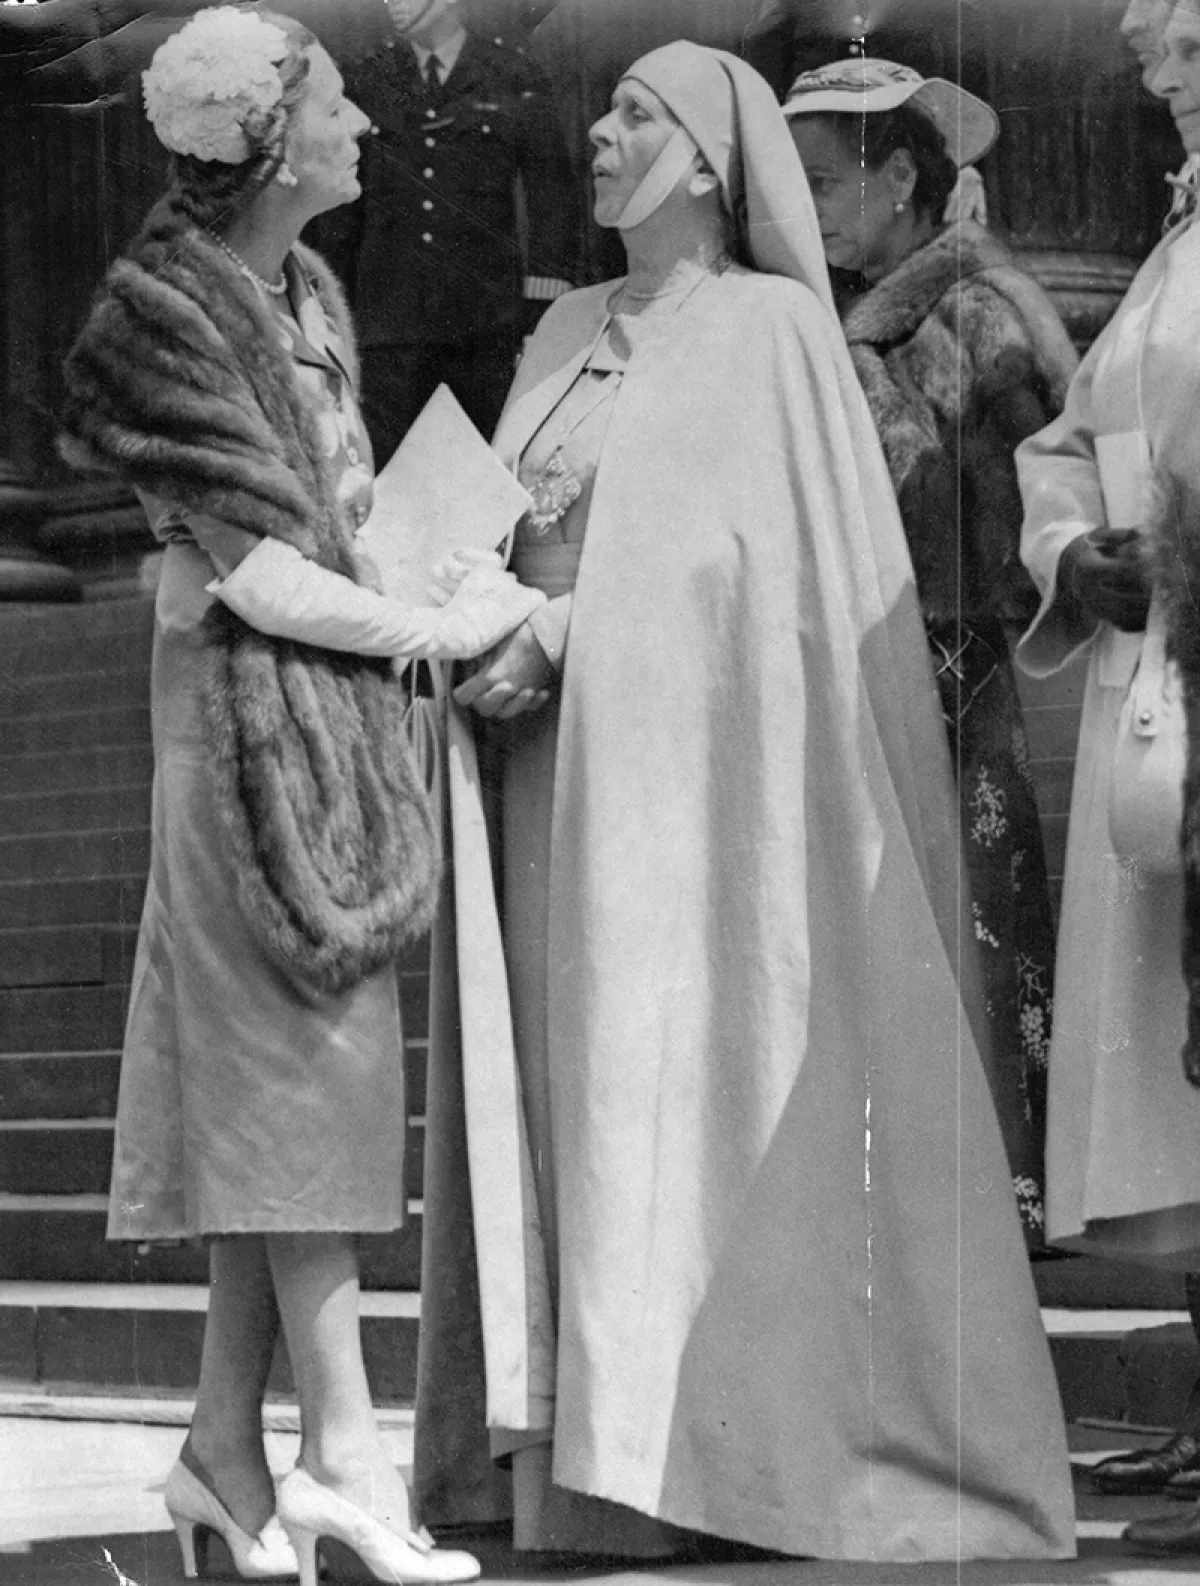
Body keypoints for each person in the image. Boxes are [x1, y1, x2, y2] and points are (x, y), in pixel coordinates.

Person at [413, 37, 1076, 1565]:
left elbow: (761, 575)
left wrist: (564, 629)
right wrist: (453, 605)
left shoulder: (776, 331)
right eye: (605, 109)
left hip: (694, 796)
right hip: (539, 771)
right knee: (570, 1104)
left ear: (711, 160)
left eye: (636, 114)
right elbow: (507, 516)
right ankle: (581, 1467)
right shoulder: (560, 327)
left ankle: (708, 1451)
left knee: (664, 1091)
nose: (599, 133)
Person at [58, 8, 545, 1583]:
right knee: (296, 1074)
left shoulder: (309, 292)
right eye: (335, 103)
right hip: (241, 745)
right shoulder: (161, 315)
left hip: (326, 726)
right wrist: (429, 630)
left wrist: (447, 572)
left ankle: (221, 1453)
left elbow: (343, 524)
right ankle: (345, 1452)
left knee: (299, 1080)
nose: (364, 125)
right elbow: (255, 572)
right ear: (271, 145)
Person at [783, 57, 1078, 1249]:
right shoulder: (838, 319)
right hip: (872, 663)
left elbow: (1044, 481)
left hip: (952, 661)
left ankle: (1003, 1190)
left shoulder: (971, 311)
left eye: (823, 182)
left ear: (901, 176)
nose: (807, 208)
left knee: (977, 918)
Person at [1016, 0, 1200, 1553]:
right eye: (1159, 61)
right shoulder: (1168, 252)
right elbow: (1069, 438)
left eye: (1194, 53)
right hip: (1159, 681)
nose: (1170, 83)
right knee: (1177, 1060)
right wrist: (1075, 550)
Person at [320, 0, 578, 459]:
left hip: (484, 328)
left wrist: (540, 314)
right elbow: (340, 216)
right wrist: (334, 314)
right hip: (388, 330)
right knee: (390, 471)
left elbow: (552, 199)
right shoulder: (365, 79)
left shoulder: (512, 75)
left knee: (482, 469)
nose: (395, 5)